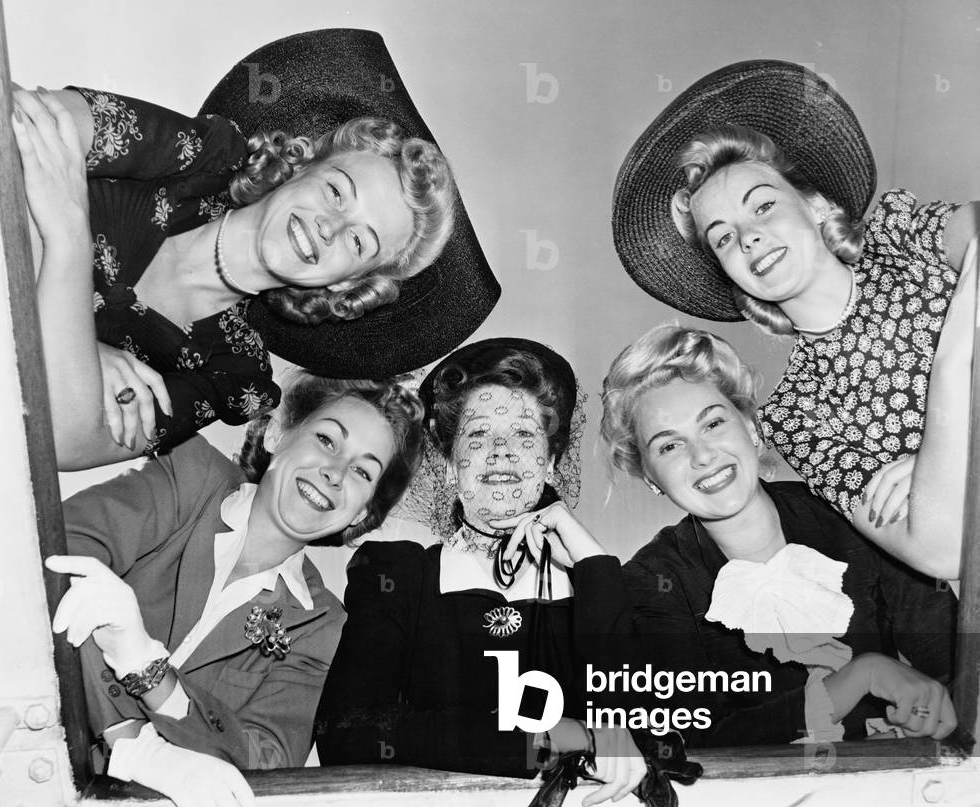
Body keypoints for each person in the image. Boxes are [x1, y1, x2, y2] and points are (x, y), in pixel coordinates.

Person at [12, 29, 500, 471]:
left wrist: (65, 239)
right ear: (302, 164)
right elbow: (17, 122)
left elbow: (62, 442)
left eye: (358, 241)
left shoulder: (235, 375)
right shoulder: (204, 155)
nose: (330, 227)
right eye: (336, 191)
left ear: (349, 283)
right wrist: (74, 354)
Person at [611, 60, 979, 579]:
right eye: (723, 237)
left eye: (761, 207)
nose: (748, 238)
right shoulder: (798, 414)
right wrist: (956, 378)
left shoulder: (902, 235)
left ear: (816, 205)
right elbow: (942, 550)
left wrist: (944, 465)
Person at [316, 338, 701, 807]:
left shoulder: (601, 585)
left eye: (523, 435)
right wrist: (566, 740)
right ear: (452, 466)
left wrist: (594, 566)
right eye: (477, 436)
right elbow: (348, 732)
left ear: (552, 463)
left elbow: (660, 735)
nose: (500, 451)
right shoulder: (396, 575)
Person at [47, 370, 424, 806]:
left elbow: (267, 760)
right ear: (277, 435)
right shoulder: (190, 475)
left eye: (362, 471)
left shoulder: (322, 623)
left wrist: (147, 668)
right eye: (326, 440)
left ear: (362, 513)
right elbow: (54, 562)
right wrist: (130, 739)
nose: (335, 472)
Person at [600, 324, 958, 748]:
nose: (703, 456)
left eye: (713, 424)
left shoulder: (850, 510)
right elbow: (695, 739)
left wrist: (933, 709)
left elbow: (956, 659)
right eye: (669, 447)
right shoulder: (651, 581)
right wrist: (864, 675)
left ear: (750, 427)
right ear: (651, 478)